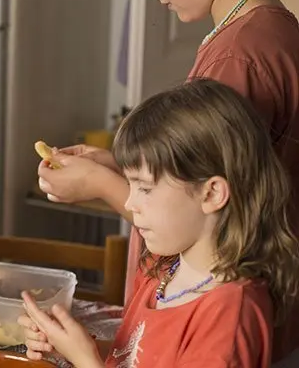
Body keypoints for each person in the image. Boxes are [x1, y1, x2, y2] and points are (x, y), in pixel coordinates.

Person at [36, 0, 299, 362]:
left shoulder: (237, 58)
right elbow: (199, 169)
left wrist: (100, 186)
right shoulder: (269, 29)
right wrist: (120, 166)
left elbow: (211, 208)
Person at [21, 79, 299, 367]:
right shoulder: (165, 267)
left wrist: (87, 361)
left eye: (145, 188)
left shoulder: (229, 315)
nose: (128, 203)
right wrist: (73, 347)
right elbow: (136, 356)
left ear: (212, 193)